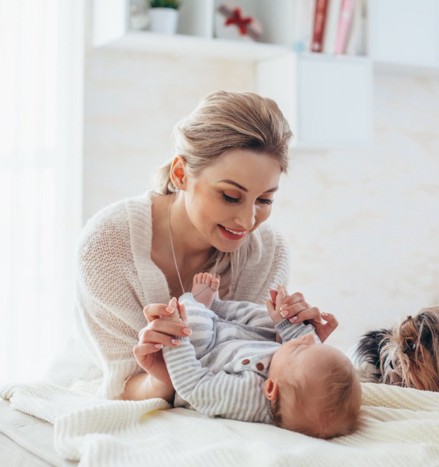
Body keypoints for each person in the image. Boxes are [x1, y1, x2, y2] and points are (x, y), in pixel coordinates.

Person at [48, 91, 337, 401]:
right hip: (93, 390)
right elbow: (122, 386)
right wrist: (161, 377)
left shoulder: (266, 254)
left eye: (265, 200)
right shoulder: (107, 245)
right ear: (180, 173)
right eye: (230, 196)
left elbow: (245, 376)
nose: (246, 221)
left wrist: (296, 346)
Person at [160, 273, 361, 439]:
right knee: (268, 321)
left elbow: (195, 386)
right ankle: (217, 307)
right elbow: (307, 345)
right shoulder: (288, 374)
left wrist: (177, 338)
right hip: (243, 344)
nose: (309, 340)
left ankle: (200, 304)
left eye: (300, 348)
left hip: (204, 351)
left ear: (271, 387)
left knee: (195, 328)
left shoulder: (244, 398)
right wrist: (285, 323)